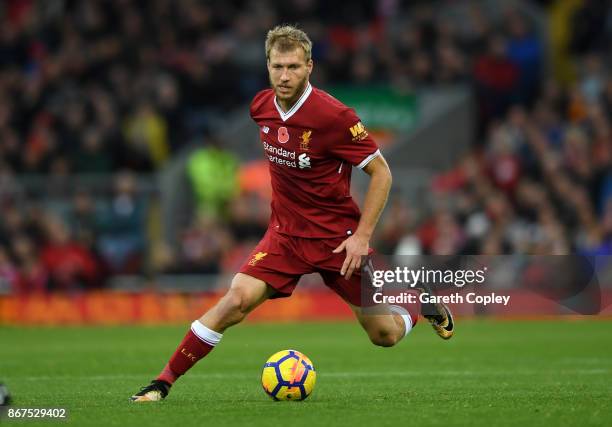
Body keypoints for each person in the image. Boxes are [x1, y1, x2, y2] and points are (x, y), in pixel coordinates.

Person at [130, 25, 454, 402]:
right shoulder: (260, 107)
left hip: (338, 242)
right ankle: (162, 383)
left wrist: (362, 237)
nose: (285, 76)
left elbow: (382, 172)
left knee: (384, 335)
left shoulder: (334, 117)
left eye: (294, 67)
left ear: (309, 67)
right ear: (267, 66)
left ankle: (418, 303)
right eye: (278, 66)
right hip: (284, 237)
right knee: (234, 301)